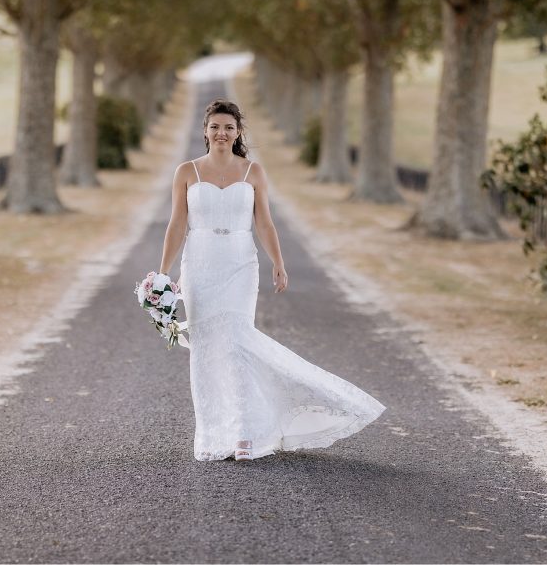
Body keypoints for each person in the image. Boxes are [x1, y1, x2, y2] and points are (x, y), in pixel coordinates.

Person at [158, 99, 385, 461]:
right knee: (206, 351)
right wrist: (163, 272)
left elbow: (264, 222)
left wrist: (278, 261)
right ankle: (215, 435)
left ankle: (247, 433)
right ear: (205, 131)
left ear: (238, 133)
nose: (221, 133)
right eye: (215, 127)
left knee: (236, 344)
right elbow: (176, 224)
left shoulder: (253, 173)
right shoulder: (186, 172)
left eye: (229, 128)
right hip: (199, 264)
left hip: (240, 266)